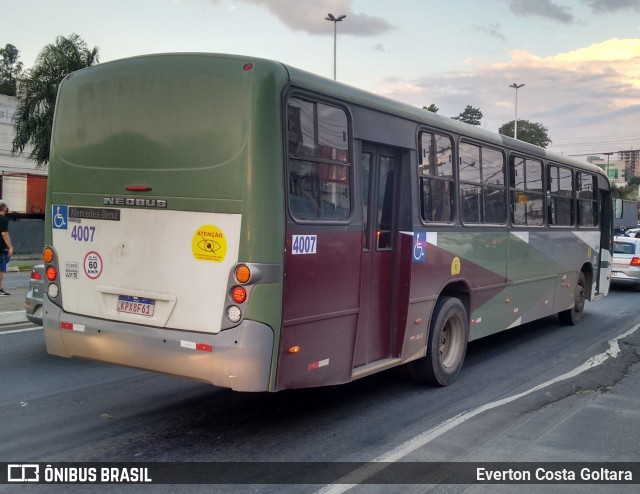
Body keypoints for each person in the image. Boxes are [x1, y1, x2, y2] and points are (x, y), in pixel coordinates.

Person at [0, 201, 13, 296]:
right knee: (0, 269)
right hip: (1, 247)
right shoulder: (4, 219)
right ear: (4, 208)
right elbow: (4, 233)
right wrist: (10, 247)